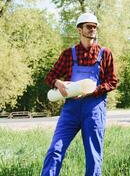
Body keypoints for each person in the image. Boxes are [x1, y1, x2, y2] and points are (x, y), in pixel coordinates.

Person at [41, 12, 118, 176]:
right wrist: (58, 82)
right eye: (89, 26)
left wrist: (92, 91)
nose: (92, 30)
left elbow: (112, 81)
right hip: (71, 111)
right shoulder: (68, 54)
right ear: (79, 30)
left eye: (95, 27)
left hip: (94, 110)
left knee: (93, 156)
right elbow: (49, 76)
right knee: (55, 149)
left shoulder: (105, 54)